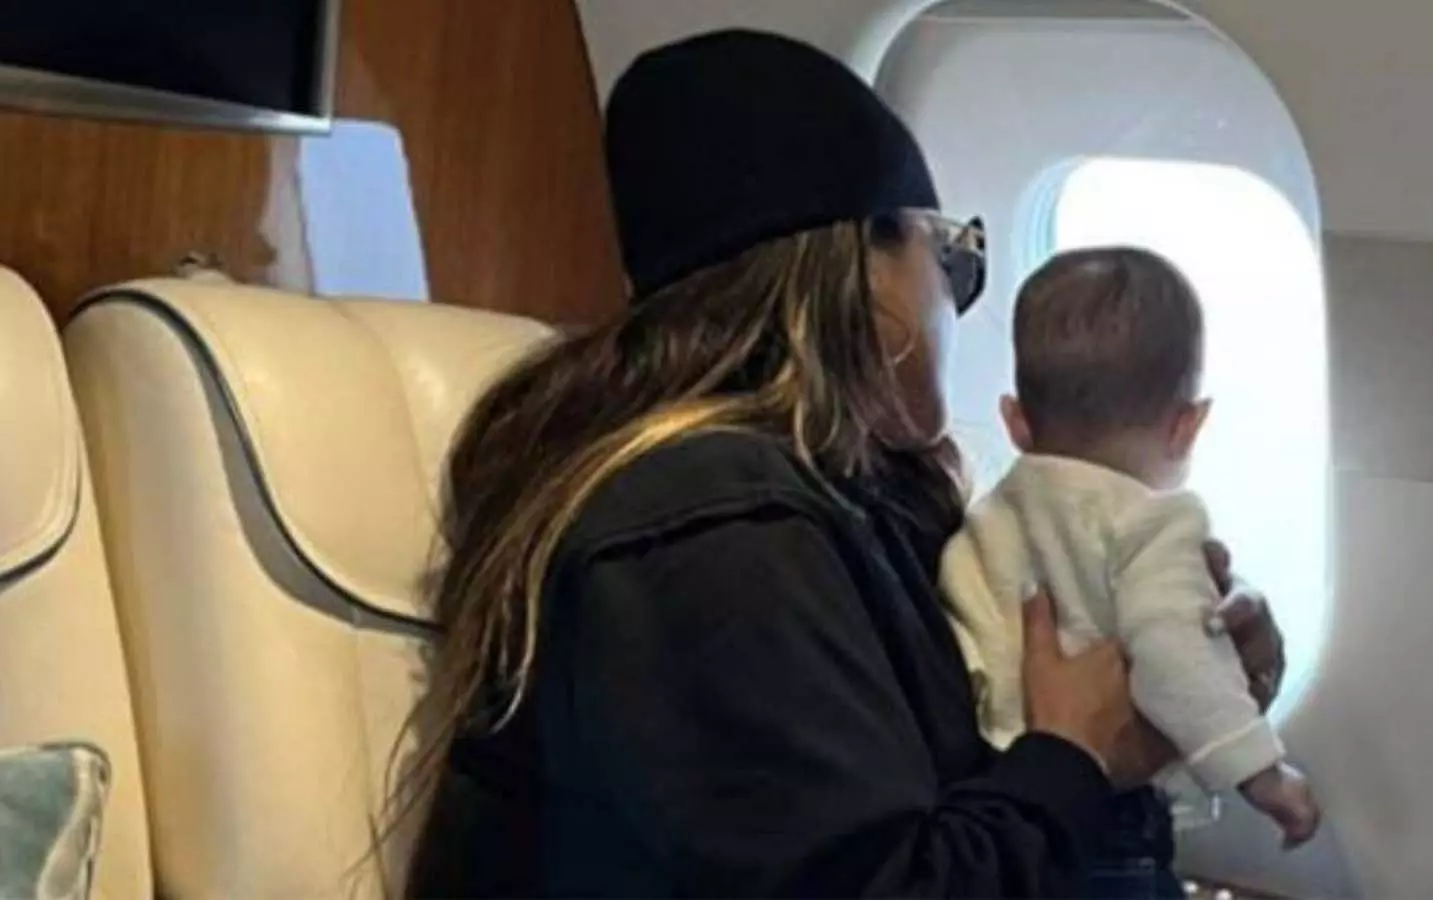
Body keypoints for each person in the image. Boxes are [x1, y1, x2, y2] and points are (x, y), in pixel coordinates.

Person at [399, 30, 1289, 898]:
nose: (954, 306)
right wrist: (1071, 761)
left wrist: (1183, 680)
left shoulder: (857, 502)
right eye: (952, 261)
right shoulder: (711, 535)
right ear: (864, 268)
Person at [942, 248, 1321, 891]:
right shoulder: (1154, 523)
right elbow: (1175, 653)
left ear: (1015, 421)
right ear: (1188, 426)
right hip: (1105, 825)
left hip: (1002, 798)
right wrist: (1264, 775)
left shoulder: (985, 516)